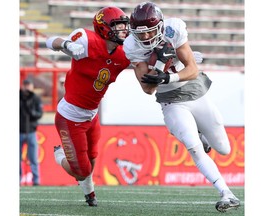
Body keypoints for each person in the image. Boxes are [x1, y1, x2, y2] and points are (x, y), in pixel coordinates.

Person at [123, 2, 240, 213]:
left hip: (194, 91)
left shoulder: (173, 29)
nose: (146, 38)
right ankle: (226, 193)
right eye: (141, 35)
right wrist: (158, 65)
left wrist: (167, 76)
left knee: (224, 148)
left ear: (159, 26)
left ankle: (204, 136)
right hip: (171, 101)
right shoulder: (132, 45)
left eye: (150, 32)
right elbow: (148, 89)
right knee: (193, 146)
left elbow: (193, 69)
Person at [45, 6, 130, 206]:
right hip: (70, 117)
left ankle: (89, 195)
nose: (124, 30)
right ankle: (59, 155)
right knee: (81, 170)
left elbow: (149, 60)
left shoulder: (124, 53)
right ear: (104, 28)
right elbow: (49, 41)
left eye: (124, 26)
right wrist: (66, 43)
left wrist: (176, 60)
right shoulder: (86, 40)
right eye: (118, 26)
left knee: (91, 160)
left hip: (91, 115)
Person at [20, 78, 43, 186]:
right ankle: (18, 179)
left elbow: (39, 114)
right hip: (19, 131)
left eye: (28, 85)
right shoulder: (18, 97)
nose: (27, 87)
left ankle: (36, 180)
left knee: (33, 158)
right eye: (25, 85)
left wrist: (31, 111)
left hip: (31, 131)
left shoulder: (36, 98)